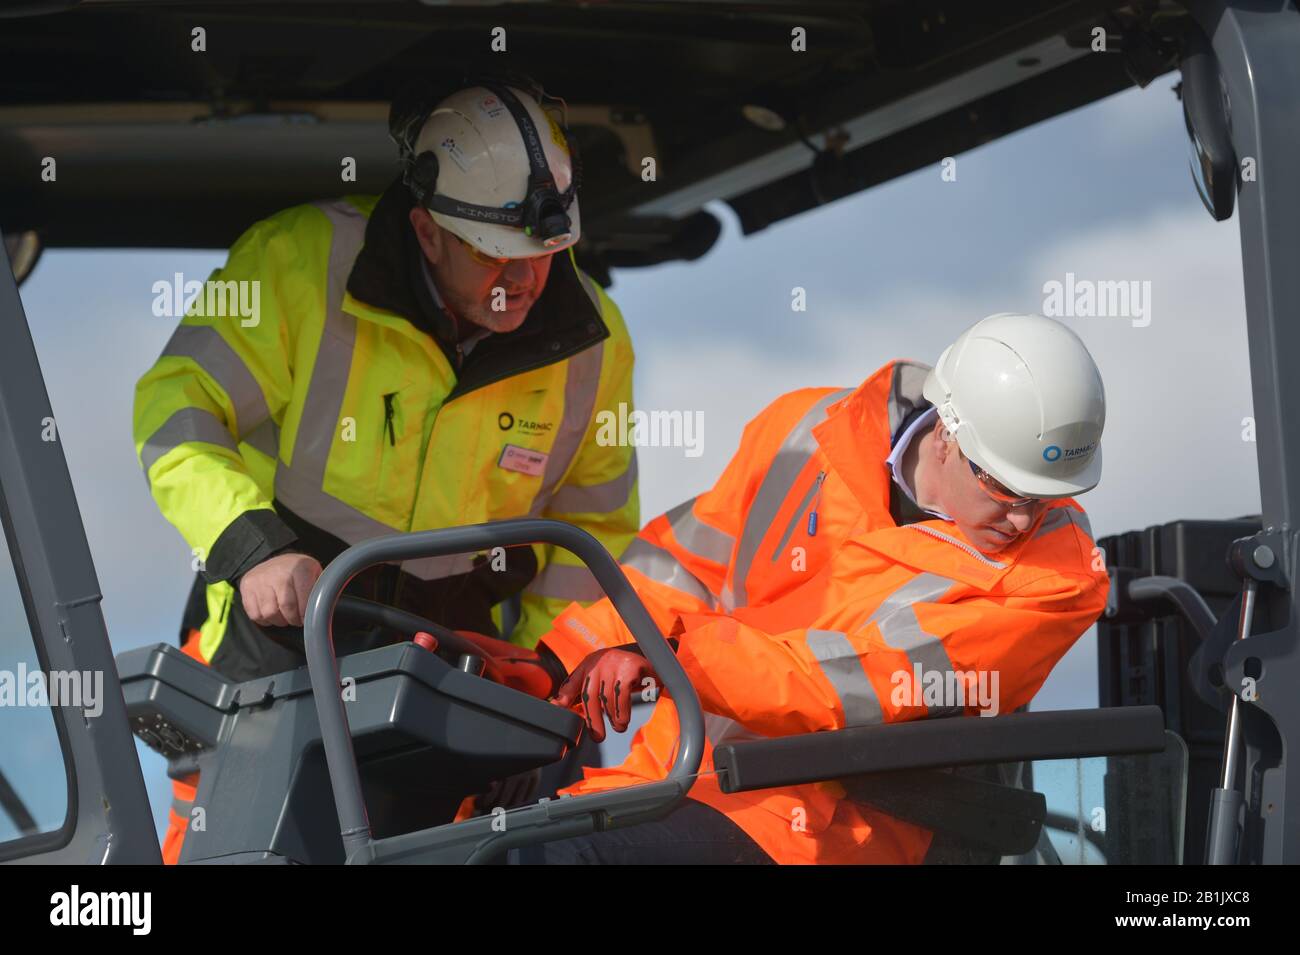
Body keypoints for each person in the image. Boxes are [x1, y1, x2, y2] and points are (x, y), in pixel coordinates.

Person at [133, 81, 637, 863]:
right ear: (426, 231)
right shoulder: (298, 265)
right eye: (491, 254)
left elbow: (594, 532)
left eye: (544, 254)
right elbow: (177, 413)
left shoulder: (595, 344)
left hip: (461, 694)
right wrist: (253, 546)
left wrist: (544, 679)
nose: (523, 282)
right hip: (270, 663)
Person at [519, 312, 1110, 864]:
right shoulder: (807, 430)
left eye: (1045, 497)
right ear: (948, 433)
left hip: (838, 828)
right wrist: (560, 661)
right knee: (490, 850)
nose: (1023, 520)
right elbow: (689, 567)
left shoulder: (1057, 582)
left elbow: (843, 683)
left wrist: (672, 661)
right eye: (1006, 489)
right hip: (675, 773)